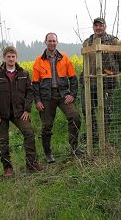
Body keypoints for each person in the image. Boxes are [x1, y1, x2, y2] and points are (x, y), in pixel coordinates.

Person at [0, 46, 44, 178]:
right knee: (3, 140)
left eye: (13, 56)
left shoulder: (24, 73)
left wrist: (27, 109)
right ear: (4, 57)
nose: (11, 59)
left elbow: (29, 92)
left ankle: (31, 164)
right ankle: (7, 167)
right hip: (1, 113)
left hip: (19, 112)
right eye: (8, 56)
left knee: (29, 133)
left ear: (16, 57)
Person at [32, 32, 84, 163]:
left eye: (54, 41)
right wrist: (37, 101)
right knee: (47, 125)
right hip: (46, 97)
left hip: (63, 95)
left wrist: (72, 94)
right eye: (49, 41)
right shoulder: (39, 61)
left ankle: (74, 148)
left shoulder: (65, 58)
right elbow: (35, 84)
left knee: (75, 117)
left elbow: (73, 78)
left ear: (57, 42)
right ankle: (48, 154)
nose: (52, 43)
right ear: (45, 42)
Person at [79, 17, 121, 144]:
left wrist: (114, 73)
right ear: (93, 27)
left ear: (105, 26)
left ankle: (105, 138)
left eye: (100, 25)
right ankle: (93, 137)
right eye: (96, 25)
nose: (98, 28)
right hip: (89, 81)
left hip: (107, 82)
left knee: (106, 111)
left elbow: (120, 59)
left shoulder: (113, 41)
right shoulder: (87, 42)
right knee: (87, 109)